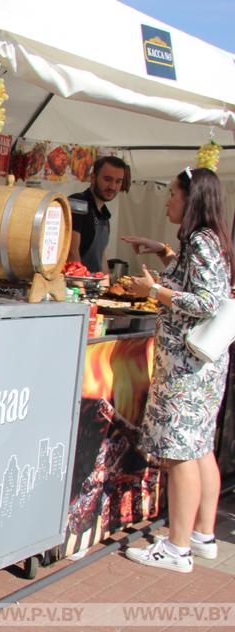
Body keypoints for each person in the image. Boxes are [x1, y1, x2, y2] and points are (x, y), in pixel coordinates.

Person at [119, 167, 233, 573]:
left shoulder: (201, 242)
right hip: (203, 365)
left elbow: (205, 301)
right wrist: (166, 253)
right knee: (200, 448)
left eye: (172, 194)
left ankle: (177, 547)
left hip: (187, 367)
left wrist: (151, 290)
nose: (168, 201)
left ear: (191, 199)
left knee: (182, 453)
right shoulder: (209, 240)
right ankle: (202, 535)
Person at [67, 155, 130, 275]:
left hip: (93, 286)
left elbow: (101, 257)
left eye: (118, 181)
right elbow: (71, 252)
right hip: (75, 286)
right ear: (93, 178)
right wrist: (80, 287)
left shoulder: (104, 214)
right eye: (107, 179)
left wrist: (107, 288)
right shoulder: (77, 203)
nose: (112, 187)